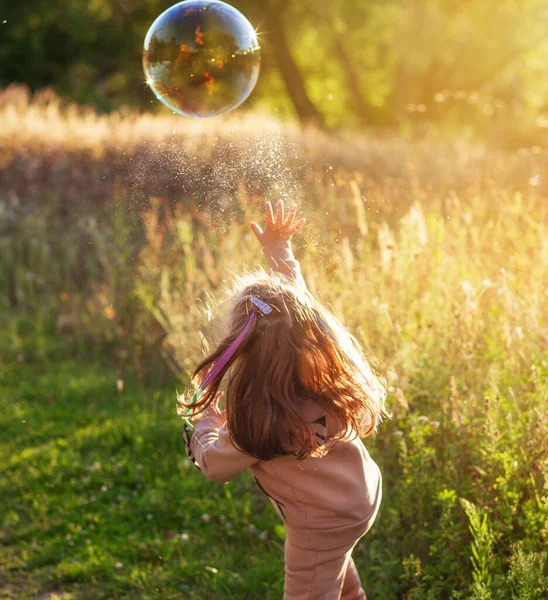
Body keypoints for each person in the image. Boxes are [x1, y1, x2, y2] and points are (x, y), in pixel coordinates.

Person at [180, 200, 388, 600]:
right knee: (340, 580)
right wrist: (279, 249)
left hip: (320, 523)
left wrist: (206, 420)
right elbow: (298, 307)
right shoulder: (323, 364)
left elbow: (214, 466)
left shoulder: (257, 417)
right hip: (359, 493)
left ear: (243, 346)